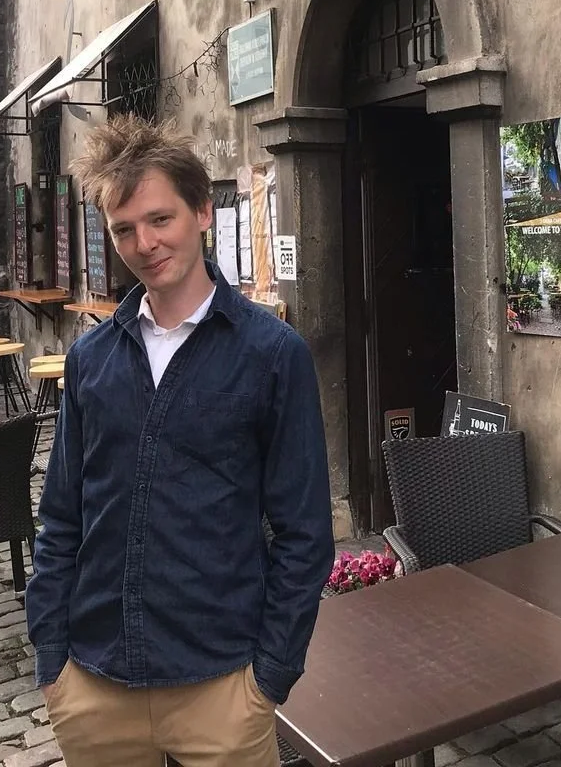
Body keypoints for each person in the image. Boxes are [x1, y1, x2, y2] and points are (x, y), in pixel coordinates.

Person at [26, 114, 335, 767]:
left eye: (159, 219)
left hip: (220, 688)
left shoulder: (273, 355)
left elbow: (304, 533)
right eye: (124, 229)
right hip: (94, 684)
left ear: (201, 211)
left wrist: (268, 678)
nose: (144, 243)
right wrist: (52, 659)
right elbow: (61, 516)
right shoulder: (91, 359)